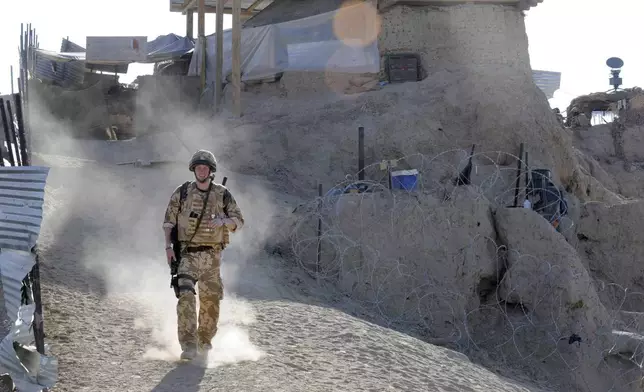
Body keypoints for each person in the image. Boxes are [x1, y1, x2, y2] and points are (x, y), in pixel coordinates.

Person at [162, 149, 245, 361]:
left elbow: (239, 221)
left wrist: (223, 221)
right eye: (198, 167)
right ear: (193, 169)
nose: (201, 170)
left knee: (211, 302)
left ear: (211, 170)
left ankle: (204, 341)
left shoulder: (222, 194)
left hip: (212, 257)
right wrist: (168, 248)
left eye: (205, 167)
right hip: (187, 255)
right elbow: (169, 223)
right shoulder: (182, 192)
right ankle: (188, 345)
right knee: (186, 297)